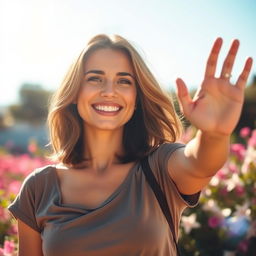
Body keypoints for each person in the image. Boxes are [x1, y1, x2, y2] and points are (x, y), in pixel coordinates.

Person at [8, 34, 252, 256]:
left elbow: (200, 163)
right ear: (74, 92)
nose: (109, 91)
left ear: (137, 98)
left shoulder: (160, 167)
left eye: (124, 81)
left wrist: (215, 134)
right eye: (95, 78)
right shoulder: (38, 187)